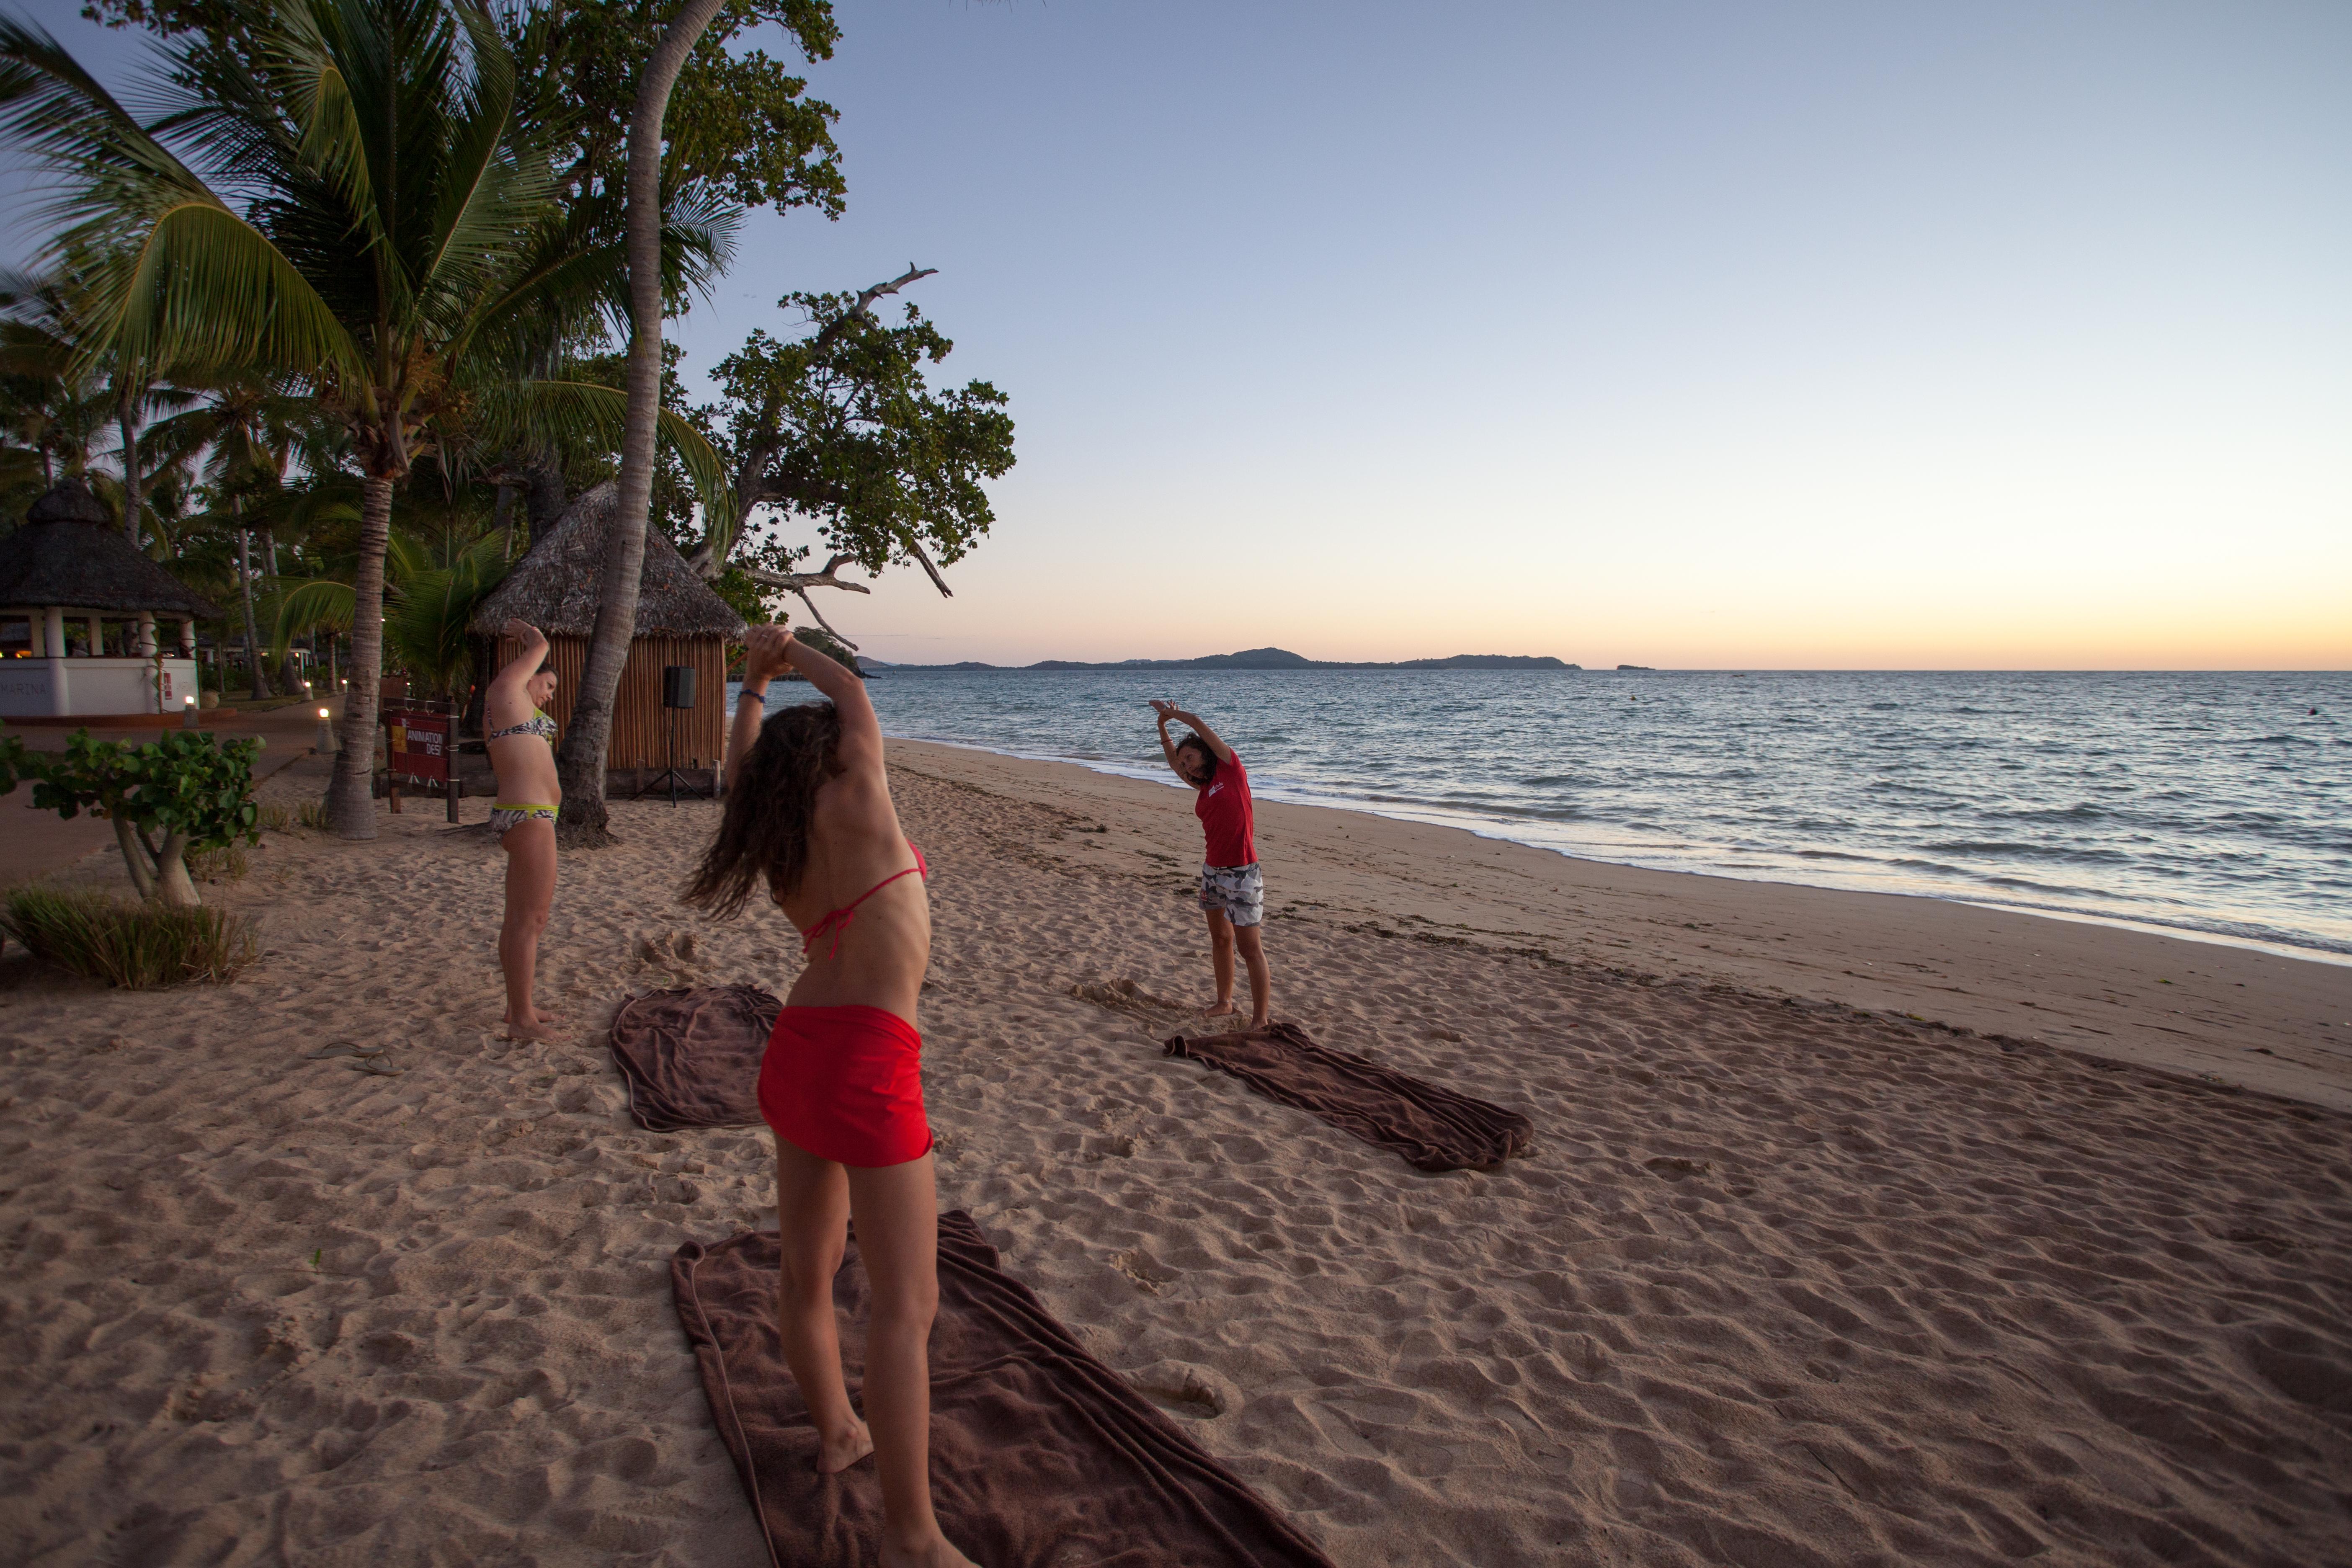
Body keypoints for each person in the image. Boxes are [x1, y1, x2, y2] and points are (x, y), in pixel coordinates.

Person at [683, 624, 976, 1568]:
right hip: (866, 1059)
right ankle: (912, 1538)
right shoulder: (863, 798)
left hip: (799, 1050)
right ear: (838, 757)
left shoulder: (771, 834)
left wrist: (752, 690)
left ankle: (842, 1434)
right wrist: (783, 649)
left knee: (808, 1276)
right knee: (905, 1307)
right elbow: (852, 690)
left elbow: (744, 769)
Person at [1151, 700, 1272, 1028]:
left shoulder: (1231, 769)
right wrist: (1162, 728)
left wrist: (1172, 715)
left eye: (1190, 757)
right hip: (1213, 873)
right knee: (1220, 940)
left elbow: (1198, 723)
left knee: (1250, 949)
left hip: (1243, 873)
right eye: (1184, 763)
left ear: (1206, 752)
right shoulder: (1203, 786)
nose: (1186, 766)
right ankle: (1225, 1003)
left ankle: (1261, 1020)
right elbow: (1174, 766)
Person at [485, 619, 562, 1042]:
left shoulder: (518, 709)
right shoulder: (504, 697)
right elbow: (538, 646)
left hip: (533, 815)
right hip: (528, 815)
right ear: (526, 676)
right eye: (547, 685)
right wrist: (533, 639)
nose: (550, 696)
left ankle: (520, 1008)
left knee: (527, 919)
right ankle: (521, 1023)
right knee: (528, 920)